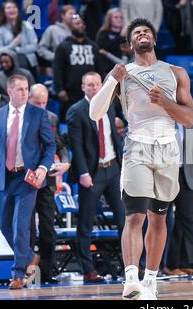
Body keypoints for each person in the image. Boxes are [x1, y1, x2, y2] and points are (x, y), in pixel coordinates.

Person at [89, 18, 193, 300]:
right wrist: (111, 78)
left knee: (158, 219)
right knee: (134, 216)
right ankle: (131, 280)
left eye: (146, 31)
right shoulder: (124, 73)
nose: (142, 34)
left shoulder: (176, 73)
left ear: (154, 40)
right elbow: (95, 113)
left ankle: (151, 281)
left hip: (168, 148)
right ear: (130, 43)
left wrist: (166, 103)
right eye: (136, 32)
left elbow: (189, 118)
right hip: (137, 147)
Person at [0, 74, 56, 289]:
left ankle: (18, 274)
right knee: (3, 224)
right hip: (5, 177)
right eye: (20, 89)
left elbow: (50, 146)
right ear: (9, 92)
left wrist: (43, 168)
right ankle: (29, 256)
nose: (25, 92)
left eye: (26, 88)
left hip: (28, 179)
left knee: (20, 227)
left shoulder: (38, 114)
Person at [67, 71, 125, 283]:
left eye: (97, 84)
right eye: (89, 85)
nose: (94, 88)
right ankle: (88, 270)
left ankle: (132, 266)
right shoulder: (76, 111)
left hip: (113, 170)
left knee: (125, 219)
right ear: (83, 87)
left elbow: (113, 139)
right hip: (92, 173)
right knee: (85, 223)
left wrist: (122, 164)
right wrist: (82, 173)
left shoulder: (109, 105)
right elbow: (77, 146)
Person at [28, 84, 70, 284]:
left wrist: (65, 161)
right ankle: (26, 273)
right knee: (26, 230)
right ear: (29, 100)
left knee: (48, 229)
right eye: (38, 103)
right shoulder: (20, 118)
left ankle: (47, 272)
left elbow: (60, 145)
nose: (42, 106)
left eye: (44, 103)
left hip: (47, 181)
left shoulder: (51, 117)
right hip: (26, 182)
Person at [166, 121, 193, 279]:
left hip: (186, 176)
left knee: (188, 221)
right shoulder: (160, 117)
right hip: (165, 177)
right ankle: (161, 265)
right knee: (161, 222)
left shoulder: (189, 121)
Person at [54, 15, 100, 122]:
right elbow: (58, 68)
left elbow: (99, 68)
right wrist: (60, 89)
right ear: (71, 27)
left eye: (82, 24)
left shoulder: (93, 46)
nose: (80, 26)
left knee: (91, 120)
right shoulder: (63, 46)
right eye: (77, 23)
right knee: (72, 120)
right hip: (70, 92)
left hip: (90, 91)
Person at [0, 0, 39, 78]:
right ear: (3, 12)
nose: (12, 10)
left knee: (21, 59)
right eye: (8, 8)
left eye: (14, 7)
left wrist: (17, 50)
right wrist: (12, 45)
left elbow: (34, 46)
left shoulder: (27, 25)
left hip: (28, 62)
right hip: (8, 64)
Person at [0, 50, 35, 124]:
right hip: (5, 115)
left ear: (14, 61)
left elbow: (33, 95)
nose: (4, 65)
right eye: (2, 62)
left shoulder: (26, 74)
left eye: (7, 62)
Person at [37, 4, 76, 73]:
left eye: (74, 14)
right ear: (63, 15)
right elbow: (41, 49)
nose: (73, 16)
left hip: (75, 67)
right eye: (70, 14)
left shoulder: (78, 32)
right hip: (59, 67)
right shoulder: (52, 29)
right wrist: (56, 57)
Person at [96, 8, 129, 76]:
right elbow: (102, 49)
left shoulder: (127, 34)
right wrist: (120, 38)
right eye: (116, 17)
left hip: (123, 67)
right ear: (109, 19)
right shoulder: (103, 33)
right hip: (106, 68)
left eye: (121, 18)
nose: (119, 20)